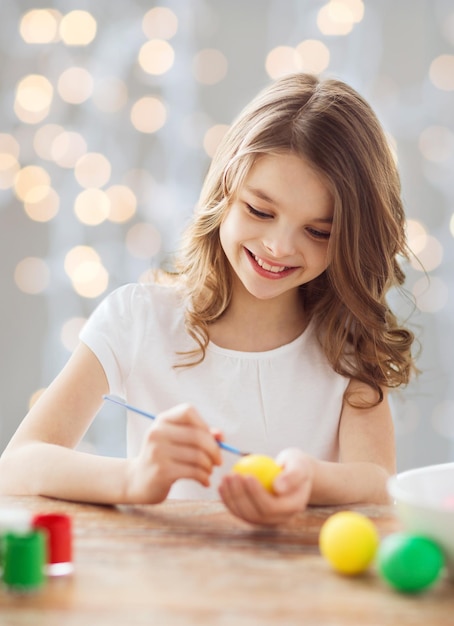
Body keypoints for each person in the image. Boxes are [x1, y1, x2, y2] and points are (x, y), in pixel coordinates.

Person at [0, 73, 416, 526]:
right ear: (224, 191)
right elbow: (18, 465)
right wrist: (134, 479)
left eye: (318, 231)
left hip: (304, 591)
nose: (278, 246)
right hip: (162, 589)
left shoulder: (347, 343)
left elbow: (380, 483)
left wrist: (309, 482)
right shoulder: (137, 320)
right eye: (259, 210)